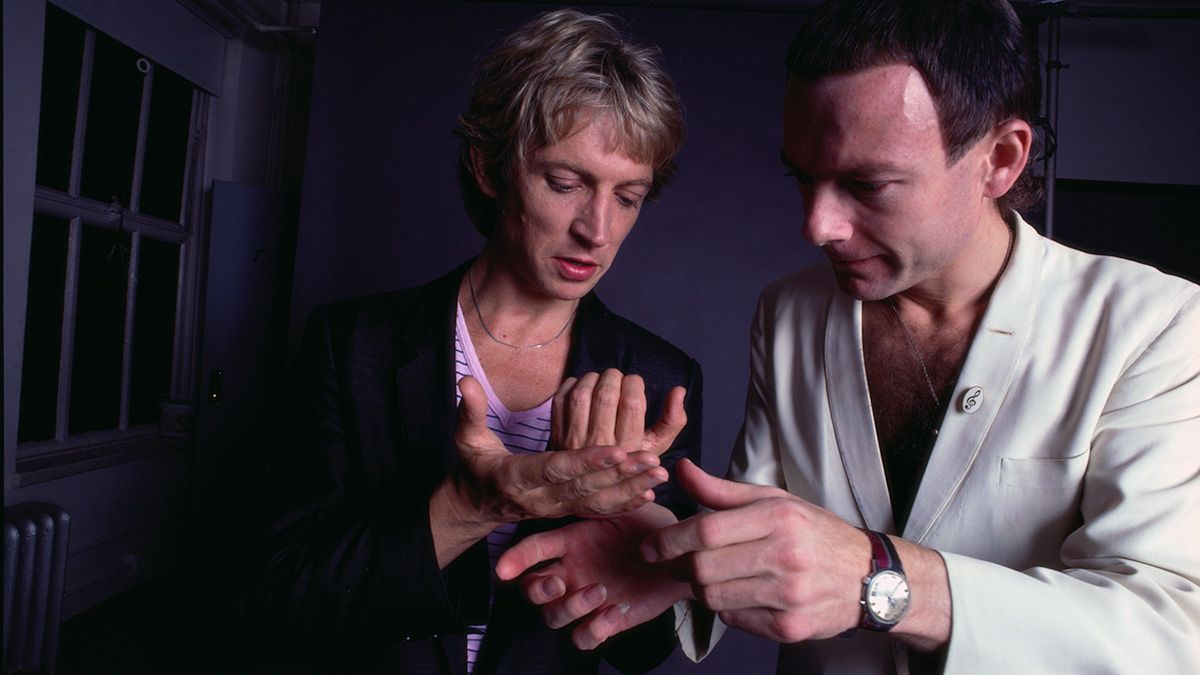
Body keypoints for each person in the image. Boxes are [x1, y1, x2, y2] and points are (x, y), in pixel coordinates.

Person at [496, 0, 1200, 672]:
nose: (817, 225)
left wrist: (884, 579)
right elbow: (773, 544)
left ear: (1003, 158)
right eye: (804, 178)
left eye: (868, 185)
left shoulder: (1156, 326)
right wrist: (666, 554)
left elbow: (1170, 634)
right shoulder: (790, 312)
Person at [252, 9, 702, 673]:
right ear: (489, 169)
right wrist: (477, 504)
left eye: (628, 196)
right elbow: (286, 594)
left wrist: (642, 551)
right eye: (566, 182)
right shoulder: (351, 345)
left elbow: (644, 649)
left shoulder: (658, 377)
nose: (597, 230)